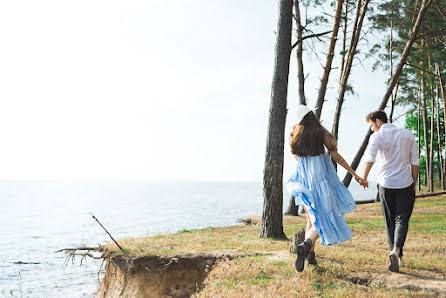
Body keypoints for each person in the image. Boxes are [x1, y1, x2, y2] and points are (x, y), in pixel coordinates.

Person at [287, 105, 364, 272]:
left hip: (304, 182)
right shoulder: (321, 133)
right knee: (323, 219)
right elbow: (337, 157)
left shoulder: (295, 135)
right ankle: (307, 244)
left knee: (311, 220)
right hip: (322, 181)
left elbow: (295, 156)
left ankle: (310, 258)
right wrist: (355, 174)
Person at [361, 110, 419, 272]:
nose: (372, 129)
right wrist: (413, 182)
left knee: (390, 221)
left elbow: (370, 158)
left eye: (372, 125)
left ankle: (396, 255)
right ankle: (397, 251)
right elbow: (415, 161)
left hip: (385, 184)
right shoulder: (407, 134)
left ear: (378, 122)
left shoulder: (377, 137)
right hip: (405, 183)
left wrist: (364, 177)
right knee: (402, 219)